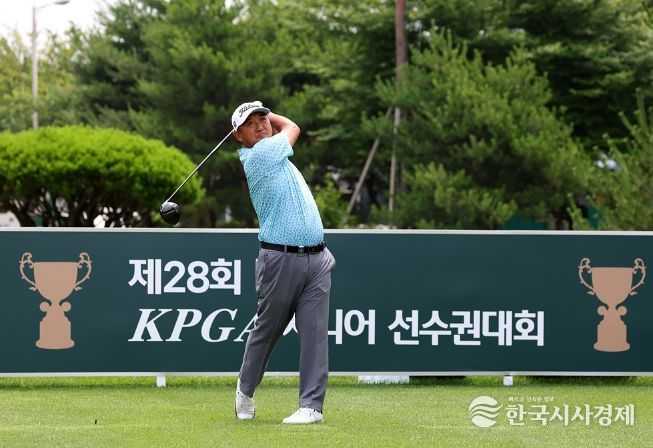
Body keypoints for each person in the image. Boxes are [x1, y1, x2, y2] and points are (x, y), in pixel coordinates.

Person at [231, 100, 336, 424]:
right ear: (238, 136)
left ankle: (311, 407)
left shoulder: (279, 156)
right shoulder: (259, 156)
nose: (260, 125)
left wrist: (260, 112)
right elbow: (293, 127)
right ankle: (245, 389)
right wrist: (272, 115)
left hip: (318, 258)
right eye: (250, 124)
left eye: (263, 119)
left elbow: (287, 129)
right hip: (280, 259)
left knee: (315, 334)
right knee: (268, 330)